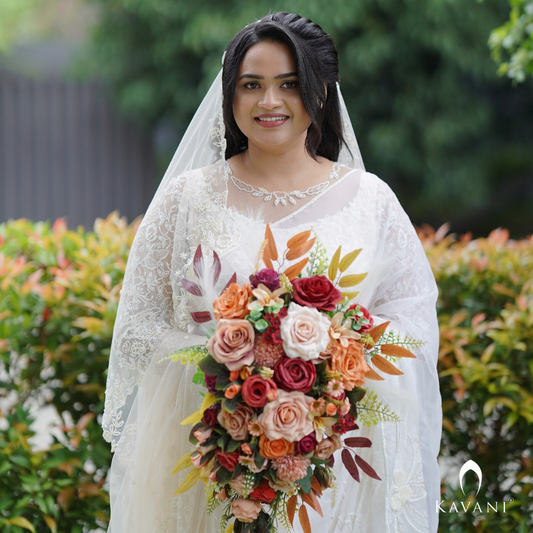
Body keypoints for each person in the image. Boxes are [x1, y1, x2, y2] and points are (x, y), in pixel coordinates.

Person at [102, 12, 442, 533]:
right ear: (229, 94)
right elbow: (138, 327)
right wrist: (231, 370)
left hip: (337, 468)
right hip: (213, 465)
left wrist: (326, 372)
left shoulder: (371, 201)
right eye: (251, 85)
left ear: (321, 93)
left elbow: (413, 320)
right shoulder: (187, 199)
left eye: (289, 85)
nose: (269, 102)